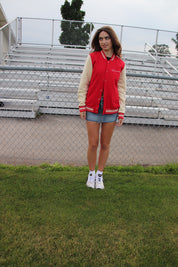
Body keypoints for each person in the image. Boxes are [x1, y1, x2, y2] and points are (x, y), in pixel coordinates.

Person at [77, 26, 126, 189]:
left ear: (112, 39)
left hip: (111, 109)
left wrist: (121, 111)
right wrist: (82, 105)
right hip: (92, 107)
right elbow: (84, 82)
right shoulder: (92, 58)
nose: (103, 41)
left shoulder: (120, 63)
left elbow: (121, 88)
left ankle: (100, 176)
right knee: (93, 143)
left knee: (105, 144)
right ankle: (91, 174)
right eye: (100, 39)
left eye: (106, 38)